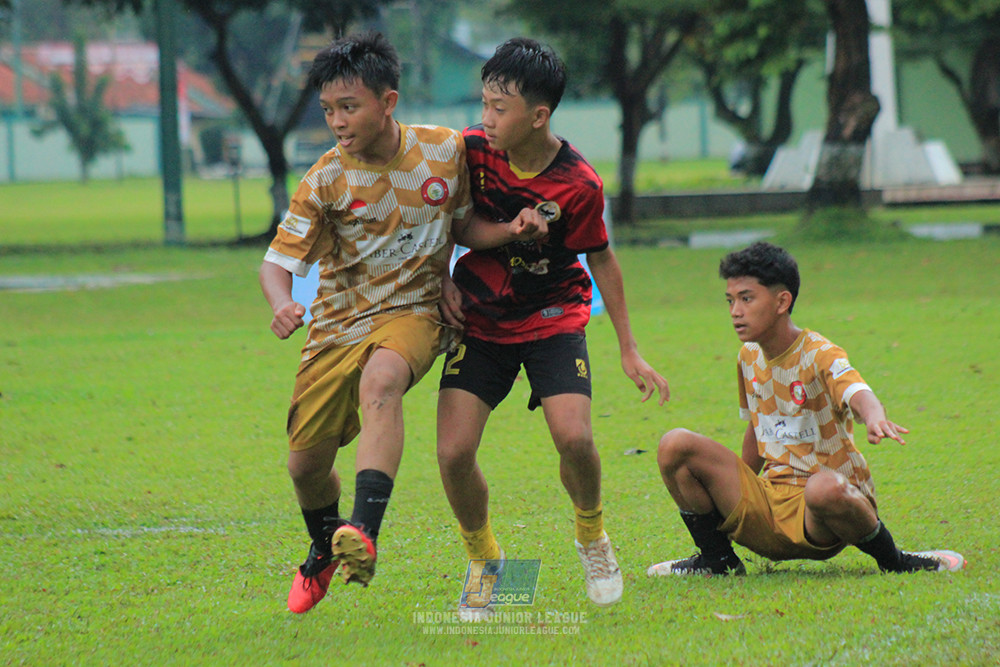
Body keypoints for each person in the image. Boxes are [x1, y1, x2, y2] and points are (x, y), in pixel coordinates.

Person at [437, 37, 670, 611]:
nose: (485, 118)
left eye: (500, 108)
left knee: (576, 438)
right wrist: (440, 278)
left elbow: (602, 258)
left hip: (552, 316)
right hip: (482, 317)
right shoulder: (467, 150)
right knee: (452, 453)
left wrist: (628, 348)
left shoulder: (579, 184)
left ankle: (591, 536)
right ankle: (487, 562)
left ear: (538, 116)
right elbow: (436, 216)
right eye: (484, 103)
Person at [259, 31, 476, 614]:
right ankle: (324, 545)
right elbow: (277, 263)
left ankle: (366, 530)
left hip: (414, 312)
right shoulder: (325, 178)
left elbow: (466, 222)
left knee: (382, 383)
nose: (336, 120)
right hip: (336, 325)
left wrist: (454, 272)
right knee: (305, 467)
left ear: (389, 101)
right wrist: (283, 302)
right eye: (328, 109)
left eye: (348, 107)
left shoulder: (447, 151)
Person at [647, 242, 966, 577]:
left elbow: (857, 390)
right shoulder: (748, 357)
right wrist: (738, 492)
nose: (735, 311)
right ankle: (717, 560)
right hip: (771, 502)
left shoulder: (820, 353)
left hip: (825, 516)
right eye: (730, 301)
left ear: (782, 301)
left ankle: (894, 560)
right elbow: (759, 428)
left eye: (746, 298)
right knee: (674, 443)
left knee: (823, 488)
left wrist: (875, 417)